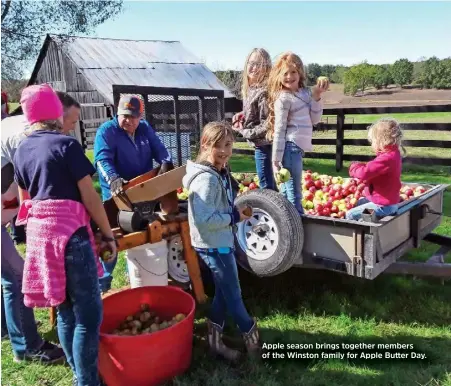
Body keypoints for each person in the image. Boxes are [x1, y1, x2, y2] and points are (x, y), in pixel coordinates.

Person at [13, 84, 116, 386]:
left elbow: (25, 201)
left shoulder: (21, 150)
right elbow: (90, 196)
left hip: (40, 238)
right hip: (70, 236)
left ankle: (78, 373)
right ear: (57, 113)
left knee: (65, 310)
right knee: (88, 314)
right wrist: (107, 234)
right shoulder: (65, 145)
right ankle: (87, 381)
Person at [0, 91, 81, 362]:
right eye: (71, 121)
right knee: (16, 275)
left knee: (6, 273)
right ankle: (27, 348)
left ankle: (7, 328)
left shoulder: (24, 128)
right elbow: (39, 193)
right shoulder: (28, 137)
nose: (70, 129)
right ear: (59, 112)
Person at [182, 121, 261, 362]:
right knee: (234, 296)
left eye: (229, 145)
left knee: (224, 294)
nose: (225, 151)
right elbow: (205, 220)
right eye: (220, 146)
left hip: (217, 241)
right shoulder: (206, 179)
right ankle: (254, 343)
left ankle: (215, 342)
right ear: (206, 145)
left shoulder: (216, 172)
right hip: (214, 244)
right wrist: (235, 216)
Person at [94, 95, 173, 292]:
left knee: (144, 234)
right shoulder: (106, 132)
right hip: (117, 196)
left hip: (144, 194)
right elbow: (102, 160)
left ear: (140, 117)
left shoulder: (145, 128)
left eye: (133, 117)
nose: (128, 121)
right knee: (112, 241)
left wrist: (165, 162)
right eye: (124, 116)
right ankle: (103, 281)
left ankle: (140, 278)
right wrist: (113, 178)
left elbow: (161, 150)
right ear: (117, 113)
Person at [266, 52, 329, 214]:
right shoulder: (283, 99)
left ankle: (286, 226)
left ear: (300, 72)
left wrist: (317, 97)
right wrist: (276, 160)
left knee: (288, 192)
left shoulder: (305, 93)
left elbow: (314, 119)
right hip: (290, 147)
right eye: (284, 73)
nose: (289, 76)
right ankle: (297, 228)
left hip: (297, 148)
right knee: (294, 192)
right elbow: (280, 130)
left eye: (293, 71)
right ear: (278, 76)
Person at [232, 48, 276, 190]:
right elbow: (256, 113)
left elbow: (267, 124)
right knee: (267, 181)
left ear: (267, 68)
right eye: (251, 63)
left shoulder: (264, 92)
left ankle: (273, 211)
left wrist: (244, 131)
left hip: (265, 145)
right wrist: (243, 114)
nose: (254, 67)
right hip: (260, 144)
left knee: (266, 184)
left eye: (259, 64)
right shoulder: (251, 89)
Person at [346, 118, 403, 221]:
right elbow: (373, 169)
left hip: (383, 207)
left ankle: (359, 236)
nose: (372, 144)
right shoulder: (393, 154)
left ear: (381, 141)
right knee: (359, 203)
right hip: (388, 203)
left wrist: (354, 167)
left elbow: (364, 173)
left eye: (372, 141)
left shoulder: (386, 158)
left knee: (350, 215)